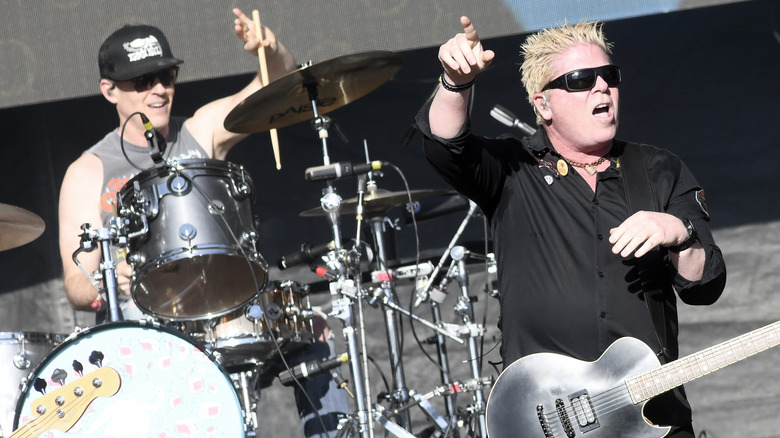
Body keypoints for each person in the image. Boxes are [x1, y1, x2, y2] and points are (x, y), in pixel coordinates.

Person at [416, 17, 727, 437]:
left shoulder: (657, 169)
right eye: (581, 79)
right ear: (543, 105)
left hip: (651, 418)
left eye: (609, 76)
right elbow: (445, 144)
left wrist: (679, 233)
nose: (601, 88)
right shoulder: (513, 168)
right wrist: (455, 82)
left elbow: (704, 287)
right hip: (545, 418)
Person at [57, 9, 348, 437]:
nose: (159, 90)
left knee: (314, 328)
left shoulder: (199, 130)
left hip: (225, 310)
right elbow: (75, 285)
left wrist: (269, 49)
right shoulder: (87, 172)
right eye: (143, 81)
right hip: (147, 330)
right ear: (110, 90)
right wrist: (109, 279)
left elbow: (274, 86)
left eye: (167, 77)